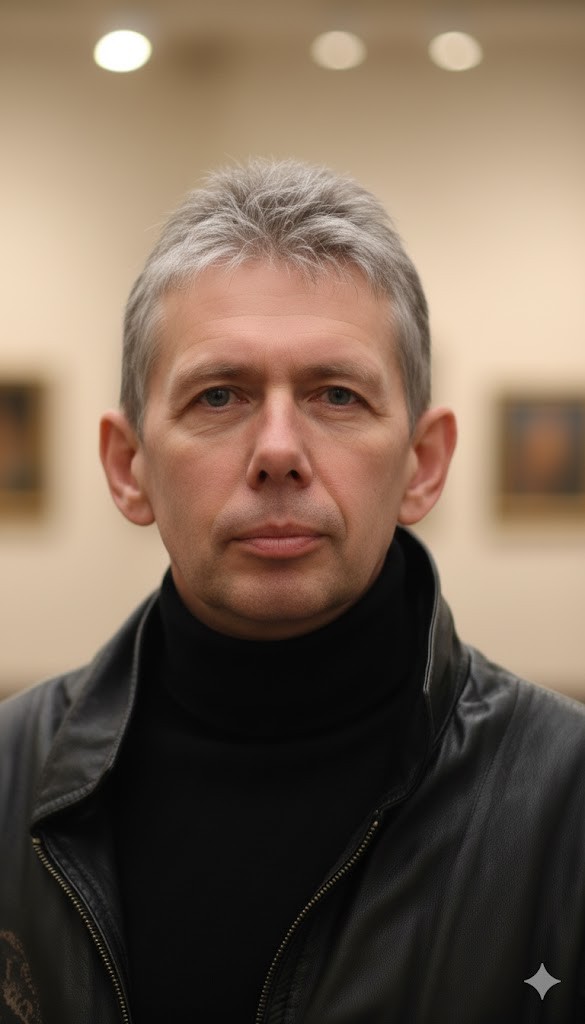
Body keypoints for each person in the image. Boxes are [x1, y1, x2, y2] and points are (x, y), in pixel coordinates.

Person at [1, 157, 584, 1024]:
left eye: (336, 395)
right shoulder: (9, 778)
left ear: (422, 465)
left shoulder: (565, 798)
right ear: (129, 468)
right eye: (219, 396)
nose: (278, 451)